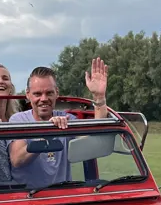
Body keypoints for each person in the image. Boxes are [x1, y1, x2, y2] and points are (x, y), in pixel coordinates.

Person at [6, 58, 110, 189]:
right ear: (28, 95)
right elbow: (17, 160)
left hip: (61, 196)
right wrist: (46, 134)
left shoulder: (67, 119)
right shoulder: (18, 120)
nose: (43, 99)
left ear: (57, 93)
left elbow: (95, 145)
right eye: (37, 94)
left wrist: (99, 97)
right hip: (27, 199)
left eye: (49, 93)